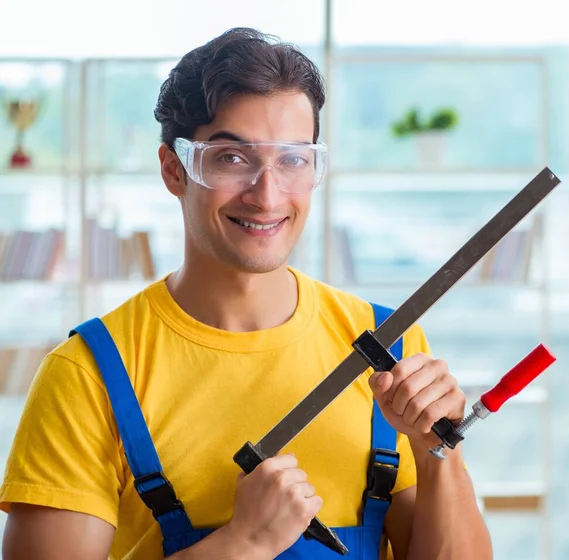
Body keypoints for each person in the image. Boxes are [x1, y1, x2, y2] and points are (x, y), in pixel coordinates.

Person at [0, 27, 492, 560]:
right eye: (232, 158)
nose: (267, 194)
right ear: (175, 169)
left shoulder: (388, 345)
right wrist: (243, 543)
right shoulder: (90, 374)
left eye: (292, 159)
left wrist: (437, 449)